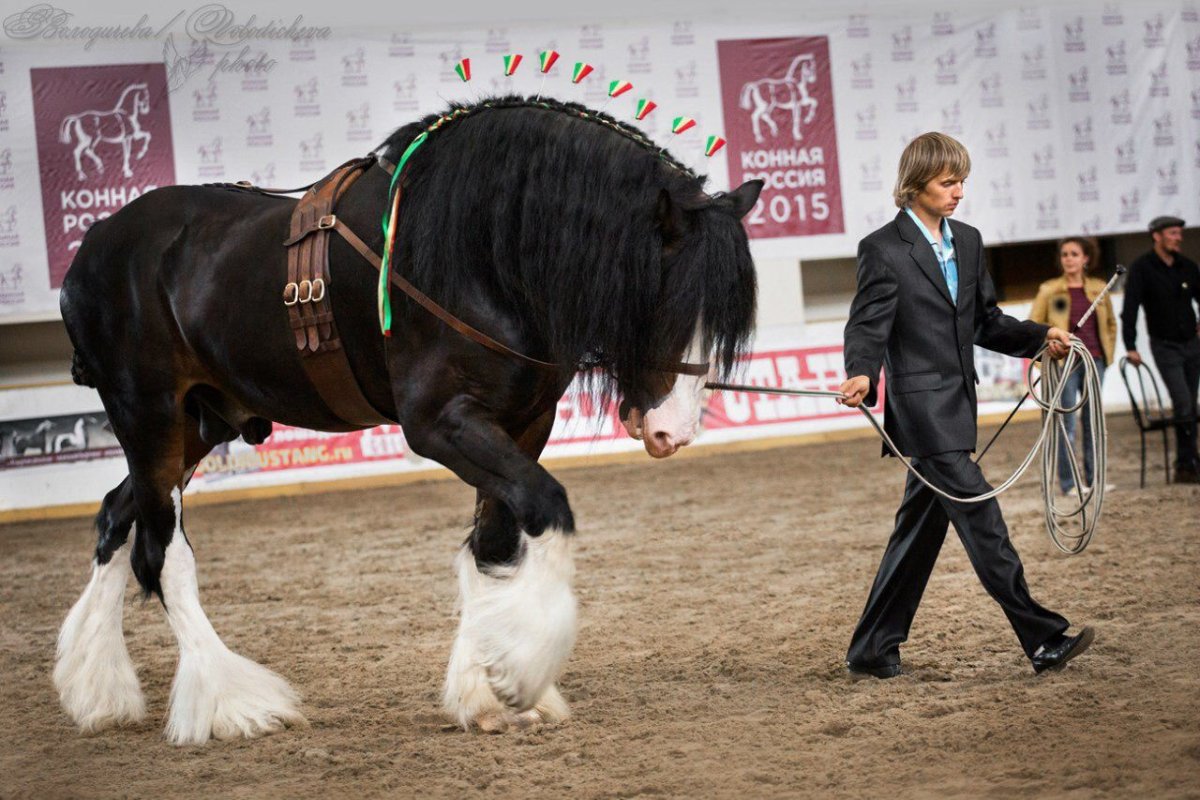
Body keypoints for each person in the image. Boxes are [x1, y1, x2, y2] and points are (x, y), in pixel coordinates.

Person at [838, 132, 1093, 678]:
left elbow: (984, 321)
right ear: (915, 185)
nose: (959, 191)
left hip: (958, 407)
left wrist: (1040, 335)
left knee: (917, 534)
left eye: (962, 181)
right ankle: (1042, 637)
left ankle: (871, 648)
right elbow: (867, 325)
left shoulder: (970, 241)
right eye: (948, 181)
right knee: (984, 521)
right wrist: (860, 372)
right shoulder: (882, 249)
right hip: (921, 415)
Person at [1029, 236, 1117, 494]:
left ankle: (1095, 480)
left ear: (1086, 258)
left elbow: (1111, 324)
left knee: (1093, 423)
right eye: (1065, 254)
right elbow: (1034, 326)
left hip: (1094, 362)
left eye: (1074, 254)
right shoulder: (1049, 290)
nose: (1069, 258)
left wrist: (1106, 355)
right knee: (1066, 423)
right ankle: (1069, 484)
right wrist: (1045, 358)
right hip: (1063, 365)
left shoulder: (1099, 289)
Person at [1121, 216, 1200, 484]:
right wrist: (1130, 345)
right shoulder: (1142, 269)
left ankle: (1187, 463)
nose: (1179, 237)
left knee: (1189, 404)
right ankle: (1187, 463)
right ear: (1157, 236)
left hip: (1191, 344)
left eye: (1180, 233)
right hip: (1164, 346)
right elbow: (1129, 309)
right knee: (1183, 402)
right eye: (1173, 233)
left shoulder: (1187, 267)